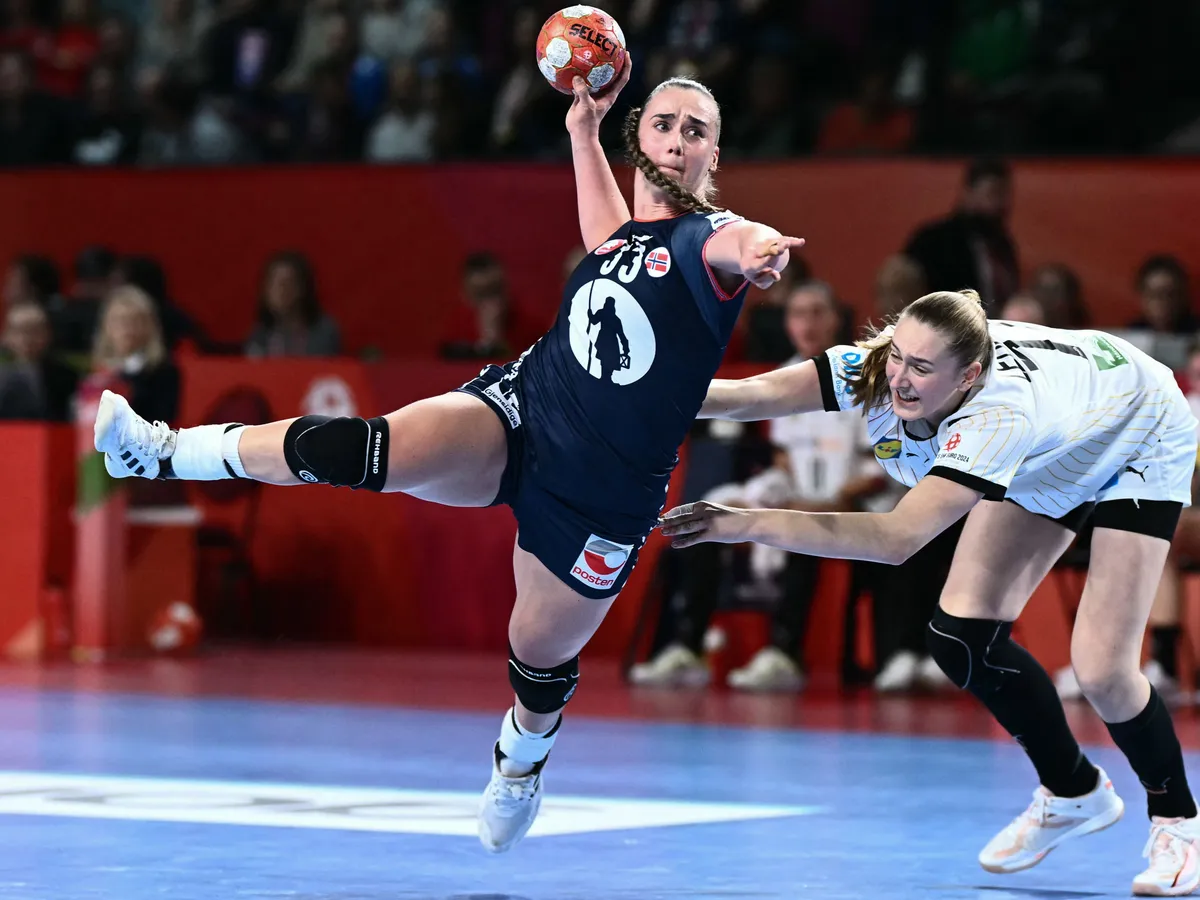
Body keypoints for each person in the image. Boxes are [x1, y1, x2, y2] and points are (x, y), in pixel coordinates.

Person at [92, 61, 803, 855]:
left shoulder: (714, 240)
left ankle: (521, 761)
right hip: (525, 407)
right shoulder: (623, 237)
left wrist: (766, 247)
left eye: (695, 131)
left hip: (600, 498)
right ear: (639, 138)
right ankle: (158, 450)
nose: (676, 142)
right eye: (663, 125)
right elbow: (607, 236)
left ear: (715, 154)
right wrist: (580, 129)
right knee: (367, 448)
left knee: (536, 655)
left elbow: (741, 243)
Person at [660, 289, 1200, 896]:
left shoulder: (997, 418)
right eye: (899, 355)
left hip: (1136, 426)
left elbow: (896, 538)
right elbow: (746, 396)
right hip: (1060, 433)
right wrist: (645, 396)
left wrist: (740, 522)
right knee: (961, 638)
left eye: (922, 368)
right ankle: (1074, 791)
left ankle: (1177, 821)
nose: (901, 378)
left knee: (1102, 669)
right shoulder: (879, 367)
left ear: (969, 375)